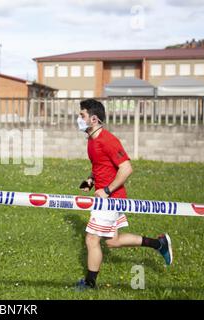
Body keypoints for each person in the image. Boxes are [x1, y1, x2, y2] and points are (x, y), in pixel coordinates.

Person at [75, 99, 173, 291]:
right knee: (113, 241)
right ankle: (159, 244)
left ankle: (89, 284)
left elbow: (126, 168)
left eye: (82, 115)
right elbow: (100, 166)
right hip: (106, 197)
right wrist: (91, 180)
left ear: (93, 119)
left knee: (92, 239)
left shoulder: (108, 140)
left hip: (111, 199)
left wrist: (107, 191)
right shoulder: (91, 140)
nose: (78, 118)